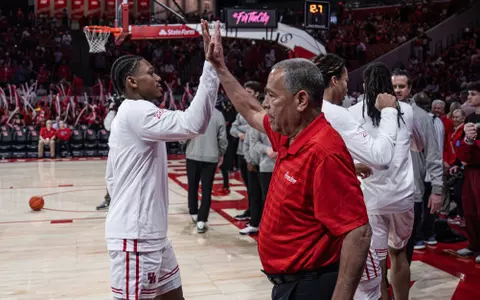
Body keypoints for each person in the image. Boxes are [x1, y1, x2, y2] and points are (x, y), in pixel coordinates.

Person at [205, 21, 372, 300]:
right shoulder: (290, 133)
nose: (266, 103)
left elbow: (359, 232)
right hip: (290, 283)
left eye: (272, 96)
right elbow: (250, 109)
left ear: (301, 100)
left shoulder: (323, 151)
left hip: (310, 286)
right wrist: (220, 67)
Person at [105, 20, 219, 300]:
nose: (158, 78)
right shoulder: (136, 111)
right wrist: (212, 66)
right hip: (136, 239)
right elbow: (194, 123)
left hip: (151, 235)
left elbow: (111, 178)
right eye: (151, 73)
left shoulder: (130, 114)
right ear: (131, 82)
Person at [313, 53, 401, 300]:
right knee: (369, 285)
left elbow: (315, 161)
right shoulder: (336, 113)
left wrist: (349, 165)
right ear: (332, 81)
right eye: (343, 80)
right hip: (342, 217)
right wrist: (388, 112)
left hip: (314, 219)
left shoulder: (305, 109)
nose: (346, 86)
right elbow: (381, 157)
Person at [349, 63, 414, 300]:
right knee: (399, 254)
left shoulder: (352, 112)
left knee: (377, 261)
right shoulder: (407, 110)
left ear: (364, 85)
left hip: (372, 198)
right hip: (402, 197)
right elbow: (414, 145)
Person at [391, 69, 443, 264]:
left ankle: (399, 290)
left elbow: (433, 155)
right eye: (394, 86)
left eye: (401, 86)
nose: (397, 90)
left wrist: (437, 189)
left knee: (406, 248)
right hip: (384, 189)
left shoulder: (420, 116)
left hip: (411, 189)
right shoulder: (380, 112)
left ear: (410, 88)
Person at [185, 107, 227, 233]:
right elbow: (223, 139)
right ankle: (202, 220)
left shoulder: (192, 111)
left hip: (192, 154)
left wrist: (185, 146)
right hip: (211, 157)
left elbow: (183, 133)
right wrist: (220, 153)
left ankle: (193, 212)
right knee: (206, 188)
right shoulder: (219, 115)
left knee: (192, 185)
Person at [455, 80, 480, 263]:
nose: (469, 97)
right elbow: (460, 145)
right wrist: (468, 143)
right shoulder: (470, 119)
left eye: (473, 93)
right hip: (470, 169)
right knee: (469, 210)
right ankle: (474, 244)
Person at [97, 95, 120, 210]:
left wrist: (113, 110)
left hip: (125, 149)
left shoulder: (125, 112)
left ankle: (117, 201)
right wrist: (112, 110)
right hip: (115, 148)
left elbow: (108, 126)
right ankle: (109, 199)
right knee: (110, 177)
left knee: (118, 177)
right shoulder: (115, 113)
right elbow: (107, 126)